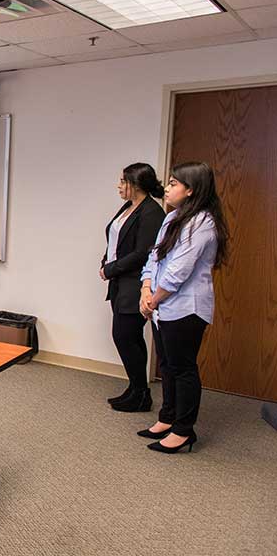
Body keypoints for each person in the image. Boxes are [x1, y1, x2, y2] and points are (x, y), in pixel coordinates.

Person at [138, 162, 228, 454]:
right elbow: (155, 256)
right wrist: (145, 288)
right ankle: (167, 417)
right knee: (166, 365)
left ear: (191, 190)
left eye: (175, 183)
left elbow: (179, 270)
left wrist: (154, 298)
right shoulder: (172, 217)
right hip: (162, 305)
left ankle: (183, 430)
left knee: (183, 368)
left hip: (186, 308)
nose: (167, 187)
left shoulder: (203, 222)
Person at [100, 163, 165, 412]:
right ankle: (136, 389)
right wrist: (105, 262)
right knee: (129, 337)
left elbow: (142, 254)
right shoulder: (130, 206)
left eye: (122, 181)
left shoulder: (151, 212)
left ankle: (141, 393)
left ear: (136, 185)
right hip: (119, 281)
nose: (119, 185)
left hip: (135, 282)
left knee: (124, 335)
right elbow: (116, 240)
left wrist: (111, 269)